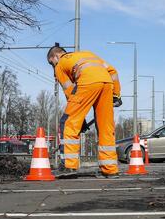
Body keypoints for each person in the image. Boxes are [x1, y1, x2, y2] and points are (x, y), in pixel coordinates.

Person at [48, 46, 122, 178]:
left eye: (51, 63)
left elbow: (70, 91)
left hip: (87, 82)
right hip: (107, 84)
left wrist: (79, 119)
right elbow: (113, 71)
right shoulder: (89, 54)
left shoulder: (60, 65)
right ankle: (110, 169)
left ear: (55, 57)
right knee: (105, 126)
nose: (53, 66)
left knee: (68, 123)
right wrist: (116, 95)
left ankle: (69, 166)